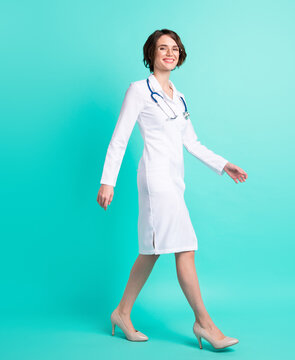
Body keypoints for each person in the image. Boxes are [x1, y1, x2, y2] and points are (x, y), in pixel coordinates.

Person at [97, 29, 248, 350]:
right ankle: (205, 324)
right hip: (155, 181)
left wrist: (223, 164)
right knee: (185, 247)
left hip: (174, 181)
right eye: (163, 48)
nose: (170, 53)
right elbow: (120, 137)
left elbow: (191, 142)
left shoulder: (179, 97)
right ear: (150, 54)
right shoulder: (139, 90)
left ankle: (122, 313)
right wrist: (107, 180)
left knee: (151, 251)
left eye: (175, 48)